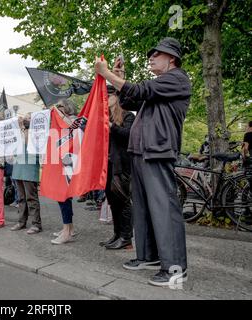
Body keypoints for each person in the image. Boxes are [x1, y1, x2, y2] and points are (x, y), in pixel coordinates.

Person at [95, 37, 191, 286]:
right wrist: (119, 78)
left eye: (156, 54)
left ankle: (175, 268)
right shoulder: (161, 84)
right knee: (143, 208)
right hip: (140, 152)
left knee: (164, 210)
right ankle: (148, 256)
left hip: (157, 151)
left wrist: (107, 75)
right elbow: (129, 100)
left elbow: (139, 90)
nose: (151, 57)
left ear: (171, 58)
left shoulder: (178, 78)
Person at [99, 84, 135, 249]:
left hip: (122, 165)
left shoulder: (128, 116)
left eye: (109, 95)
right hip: (107, 165)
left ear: (116, 97)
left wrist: (112, 127)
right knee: (112, 201)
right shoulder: (106, 117)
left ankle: (126, 238)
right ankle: (117, 234)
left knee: (123, 200)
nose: (105, 99)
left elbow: (129, 135)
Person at [51, 99, 79, 245]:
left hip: (70, 160)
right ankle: (69, 228)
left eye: (59, 106)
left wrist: (56, 112)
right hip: (62, 159)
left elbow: (69, 126)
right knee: (62, 196)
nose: (56, 108)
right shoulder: (60, 120)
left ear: (67, 107)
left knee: (63, 196)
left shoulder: (74, 120)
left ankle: (67, 231)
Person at [10, 114, 43, 234]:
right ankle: (21, 221)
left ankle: (36, 224)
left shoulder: (36, 133)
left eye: (28, 118)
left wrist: (26, 129)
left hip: (29, 168)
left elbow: (34, 147)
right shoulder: (18, 133)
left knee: (31, 198)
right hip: (18, 169)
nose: (24, 119)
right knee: (21, 198)